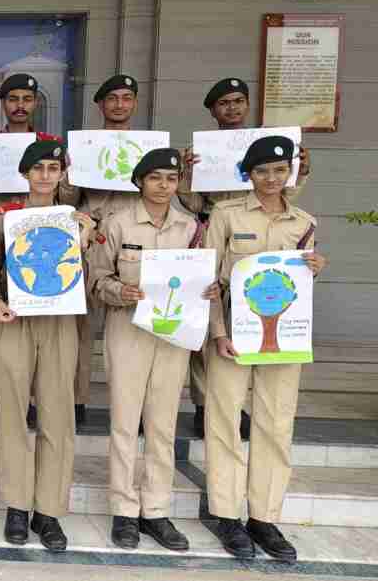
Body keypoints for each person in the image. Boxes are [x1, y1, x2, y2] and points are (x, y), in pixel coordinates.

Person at [86, 148, 220, 552]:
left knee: (162, 425)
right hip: (127, 329)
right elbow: (96, 278)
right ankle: (125, 510)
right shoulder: (116, 223)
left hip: (172, 333)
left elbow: (202, 277)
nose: (164, 186)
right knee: (126, 423)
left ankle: (156, 511)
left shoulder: (191, 227)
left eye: (172, 178)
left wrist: (210, 289)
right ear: (139, 181)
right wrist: (118, 290)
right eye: (156, 178)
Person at [204, 135, 326, 563]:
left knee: (275, 425)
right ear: (248, 174)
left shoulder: (304, 222)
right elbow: (210, 282)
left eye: (279, 170)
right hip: (233, 339)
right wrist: (218, 333)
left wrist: (316, 269)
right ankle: (225, 514)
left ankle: (264, 516)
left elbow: (297, 288)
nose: (271, 179)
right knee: (224, 423)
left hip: (282, 341)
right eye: (262, 171)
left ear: (290, 172)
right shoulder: (225, 214)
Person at [177, 77, 313, 440]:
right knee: (213, 315)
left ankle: (246, 406)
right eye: (224, 103)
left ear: (248, 105)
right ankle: (207, 404)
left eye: (238, 101)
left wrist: (302, 167)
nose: (232, 109)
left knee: (261, 311)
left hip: (265, 235)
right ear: (212, 111)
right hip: (218, 230)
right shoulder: (202, 149)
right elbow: (191, 205)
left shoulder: (273, 146)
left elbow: (290, 195)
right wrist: (188, 174)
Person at [0, 140, 94, 552]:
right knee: (12, 413)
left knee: (57, 417)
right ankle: (16, 505)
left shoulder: (76, 221)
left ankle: (48, 511)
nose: (46, 175)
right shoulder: (4, 218)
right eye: (38, 168)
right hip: (14, 322)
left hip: (60, 323)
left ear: (63, 173)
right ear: (25, 173)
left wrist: (83, 242)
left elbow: (89, 280)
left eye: (53, 167)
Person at [0, 72, 59, 427]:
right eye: (13, 99)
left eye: (27, 99)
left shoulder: (50, 143)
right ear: (3, 104)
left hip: (41, 230)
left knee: (39, 312)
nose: (20, 106)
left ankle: (32, 393)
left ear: (36, 103)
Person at [58, 73, 141, 425]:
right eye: (112, 98)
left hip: (134, 240)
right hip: (91, 241)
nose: (119, 104)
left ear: (134, 103)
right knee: (81, 327)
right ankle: (76, 401)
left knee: (134, 325)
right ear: (100, 105)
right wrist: (68, 175)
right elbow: (67, 200)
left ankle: (132, 407)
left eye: (126, 98)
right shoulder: (83, 146)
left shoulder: (146, 146)